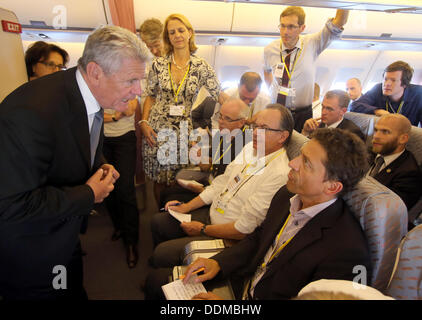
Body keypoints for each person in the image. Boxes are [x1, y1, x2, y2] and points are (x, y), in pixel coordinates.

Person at [0, 26, 148, 300]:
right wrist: (89, 193)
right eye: (131, 81)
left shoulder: (88, 95)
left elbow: (80, 144)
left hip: (65, 236)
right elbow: (10, 204)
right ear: (95, 72)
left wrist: (99, 164)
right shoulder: (30, 113)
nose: (137, 92)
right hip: (32, 255)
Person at [177, 128, 371, 301]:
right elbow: (259, 237)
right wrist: (219, 262)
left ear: (332, 186)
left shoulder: (347, 250)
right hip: (245, 282)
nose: (292, 164)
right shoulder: (286, 195)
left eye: (306, 163)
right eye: (299, 156)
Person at [149, 104, 293, 268]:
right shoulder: (249, 149)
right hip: (213, 213)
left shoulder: (279, 174)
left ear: (282, 136)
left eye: (264, 128)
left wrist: (203, 229)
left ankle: (160, 274)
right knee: (158, 223)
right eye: (256, 126)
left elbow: (243, 229)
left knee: (162, 253)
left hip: (227, 236)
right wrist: (187, 207)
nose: (254, 132)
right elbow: (222, 183)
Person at [140, 13, 222, 205]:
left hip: (181, 131)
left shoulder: (201, 66)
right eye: (172, 32)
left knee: (177, 177)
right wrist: (144, 122)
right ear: (168, 37)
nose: (177, 35)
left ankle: (175, 213)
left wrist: (244, 112)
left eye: (181, 30)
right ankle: (160, 211)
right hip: (156, 128)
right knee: (159, 178)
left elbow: (220, 95)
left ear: (190, 33)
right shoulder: (157, 65)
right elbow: (150, 96)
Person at [263, 6, 349, 132]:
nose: (285, 31)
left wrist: (345, 4)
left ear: (302, 28)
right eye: (282, 26)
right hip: (277, 111)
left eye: (291, 27)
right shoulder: (269, 49)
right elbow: (267, 71)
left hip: (302, 114)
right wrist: (272, 90)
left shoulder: (312, 43)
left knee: (300, 148)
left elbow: (339, 23)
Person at [160, 98, 250, 207]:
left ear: (241, 122)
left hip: (221, 197)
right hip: (210, 183)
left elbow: (233, 188)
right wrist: (199, 157)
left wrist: (202, 190)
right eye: (220, 116)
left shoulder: (246, 147)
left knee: (170, 197)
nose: (220, 122)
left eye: (227, 119)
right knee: (166, 192)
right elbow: (209, 165)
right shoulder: (222, 134)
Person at [368, 113, 422, 230]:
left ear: (403, 139)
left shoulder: (409, 173)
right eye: (376, 130)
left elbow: (387, 212)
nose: (376, 136)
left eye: (385, 132)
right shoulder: (368, 152)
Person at [103, 98, 140, 268]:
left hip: (124, 138)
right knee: (106, 189)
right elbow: (91, 112)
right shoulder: (97, 78)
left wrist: (110, 114)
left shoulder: (128, 77)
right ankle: (119, 226)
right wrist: (115, 115)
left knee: (125, 190)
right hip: (101, 139)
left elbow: (130, 109)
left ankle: (131, 241)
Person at [350, 61, 422, 127]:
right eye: (385, 79)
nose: (387, 84)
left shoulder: (418, 94)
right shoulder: (378, 89)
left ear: (405, 84)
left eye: (393, 80)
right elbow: (354, 106)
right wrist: (377, 111)